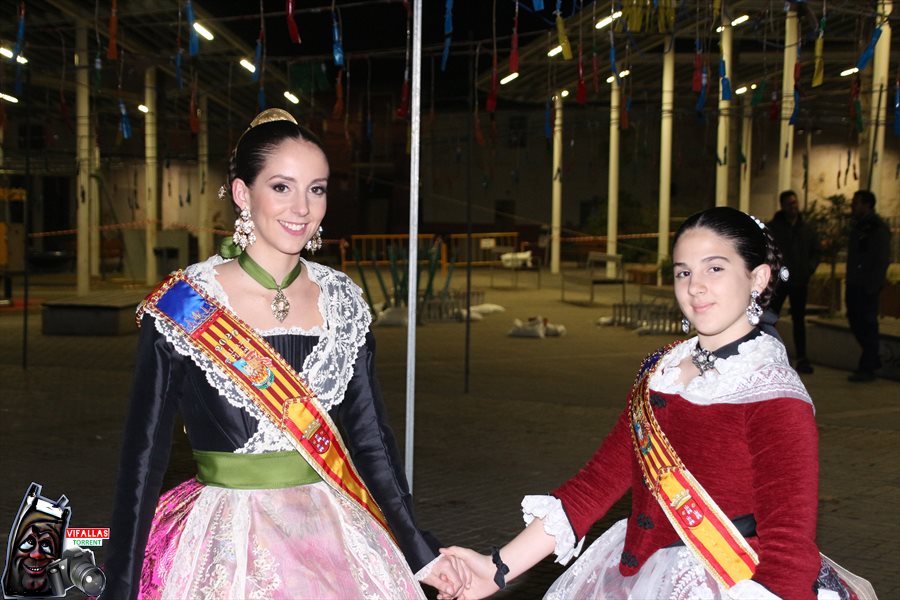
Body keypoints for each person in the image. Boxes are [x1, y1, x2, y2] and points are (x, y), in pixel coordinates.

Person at [102, 109, 468, 599]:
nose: (302, 207)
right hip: (225, 543)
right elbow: (143, 458)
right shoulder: (185, 304)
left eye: (316, 189)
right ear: (240, 193)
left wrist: (419, 551)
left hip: (334, 538)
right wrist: (120, 586)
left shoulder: (342, 301)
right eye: (281, 187)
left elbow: (371, 444)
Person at [442, 207, 876, 600]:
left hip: (735, 583)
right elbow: (595, 485)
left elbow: (789, 547)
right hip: (641, 576)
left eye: (715, 268)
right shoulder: (663, 369)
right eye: (683, 272)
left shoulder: (774, 394)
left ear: (758, 278)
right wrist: (496, 568)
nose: (696, 287)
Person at [767, 190, 820, 373]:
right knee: (770, 318)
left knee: (799, 320)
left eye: (795, 203)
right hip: (779, 282)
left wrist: (808, 269)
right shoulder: (773, 228)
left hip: (799, 281)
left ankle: (803, 358)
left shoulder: (806, 228)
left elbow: (815, 251)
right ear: (782, 206)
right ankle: (768, 355)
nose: (793, 207)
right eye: (790, 204)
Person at [845, 190, 892, 383]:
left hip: (867, 286)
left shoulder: (876, 228)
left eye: (856, 203)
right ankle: (872, 360)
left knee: (867, 324)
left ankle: (867, 365)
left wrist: (873, 285)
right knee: (856, 322)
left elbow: (881, 259)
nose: (852, 207)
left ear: (867, 205)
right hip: (855, 283)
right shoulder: (859, 227)